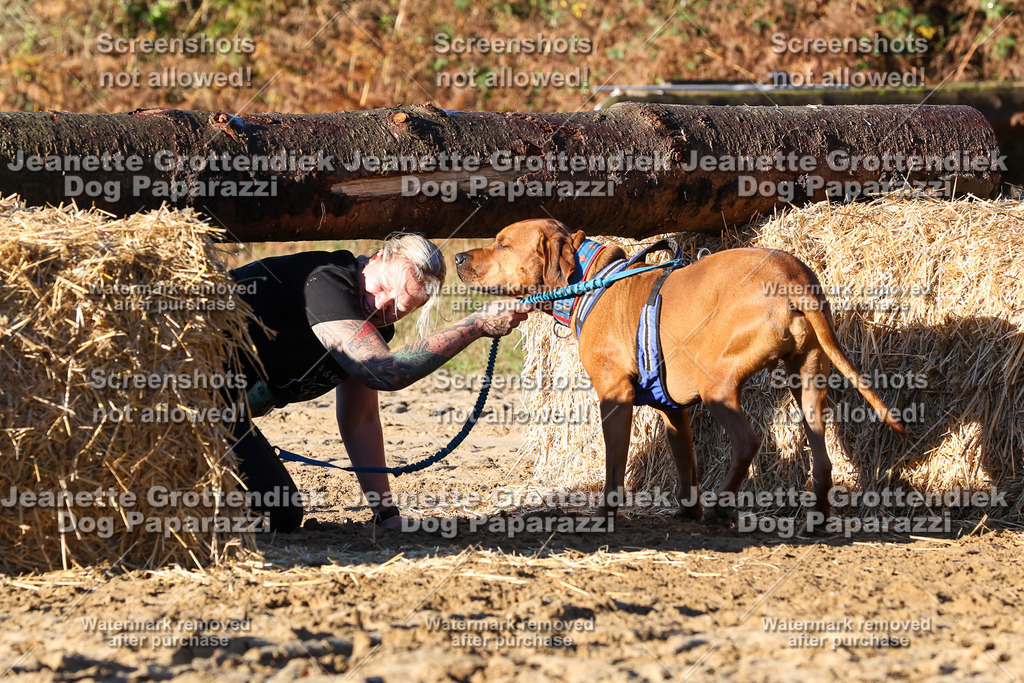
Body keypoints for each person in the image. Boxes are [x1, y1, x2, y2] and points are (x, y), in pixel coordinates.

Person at [227, 233, 530, 532]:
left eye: (400, 307)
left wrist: (386, 514)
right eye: (384, 286)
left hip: (224, 415)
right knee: (268, 513)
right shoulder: (327, 280)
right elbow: (382, 371)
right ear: (375, 258)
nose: (382, 304)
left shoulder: (375, 332)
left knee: (281, 514)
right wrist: (475, 325)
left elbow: (361, 420)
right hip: (192, 395)